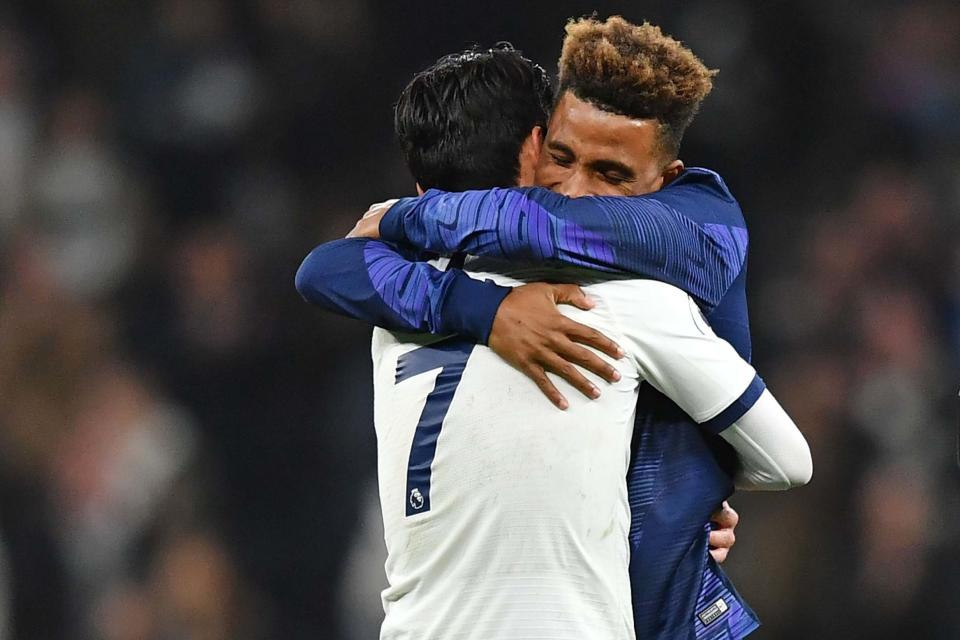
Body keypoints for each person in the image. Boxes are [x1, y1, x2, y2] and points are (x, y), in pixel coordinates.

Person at [298, 18, 810, 639]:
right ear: (536, 145)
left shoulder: (695, 231)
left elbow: (545, 225)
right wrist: (486, 312)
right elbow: (322, 269)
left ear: (664, 183)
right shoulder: (609, 302)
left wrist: (695, 486)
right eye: (562, 159)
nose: (574, 191)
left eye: (611, 174)